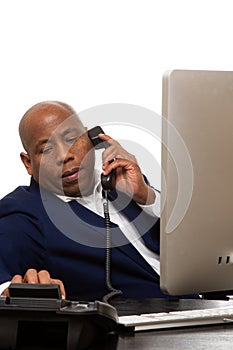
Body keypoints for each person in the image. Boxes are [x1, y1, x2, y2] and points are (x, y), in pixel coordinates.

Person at [0, 100, 169, 301]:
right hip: (141, 325)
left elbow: (191, 243)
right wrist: (12, 292)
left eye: (71, 139)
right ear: (28, 163)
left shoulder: (121, 181)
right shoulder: (23, 213)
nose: (65, 156)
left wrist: (146, 196)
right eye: (46, 149)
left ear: (91, 139)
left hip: (204, 307)